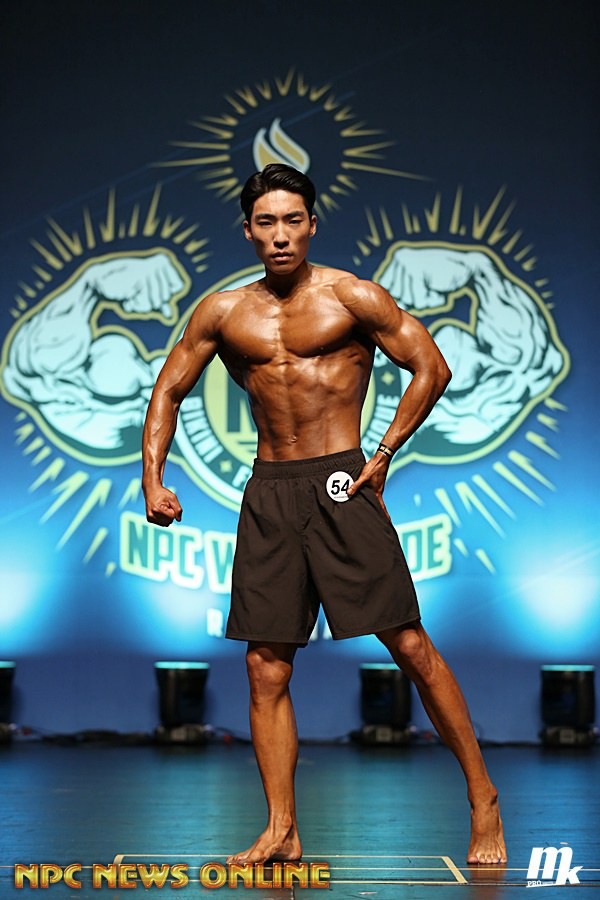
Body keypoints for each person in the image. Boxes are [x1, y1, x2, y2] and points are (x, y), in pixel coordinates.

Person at [142, 164, 507, 866]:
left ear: (312, 223)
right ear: (248, 231)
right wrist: (152, 480)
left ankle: (482, 795)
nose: (280, 235)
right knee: (265, 667)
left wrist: (385, 451)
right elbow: (168, 391)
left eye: (292, 220)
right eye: (266, 223)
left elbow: (431, 367)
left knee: (409, 645)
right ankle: (281, 829)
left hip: (342, 481)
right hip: (270, 490)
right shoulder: (223, 312)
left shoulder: (352, 296)